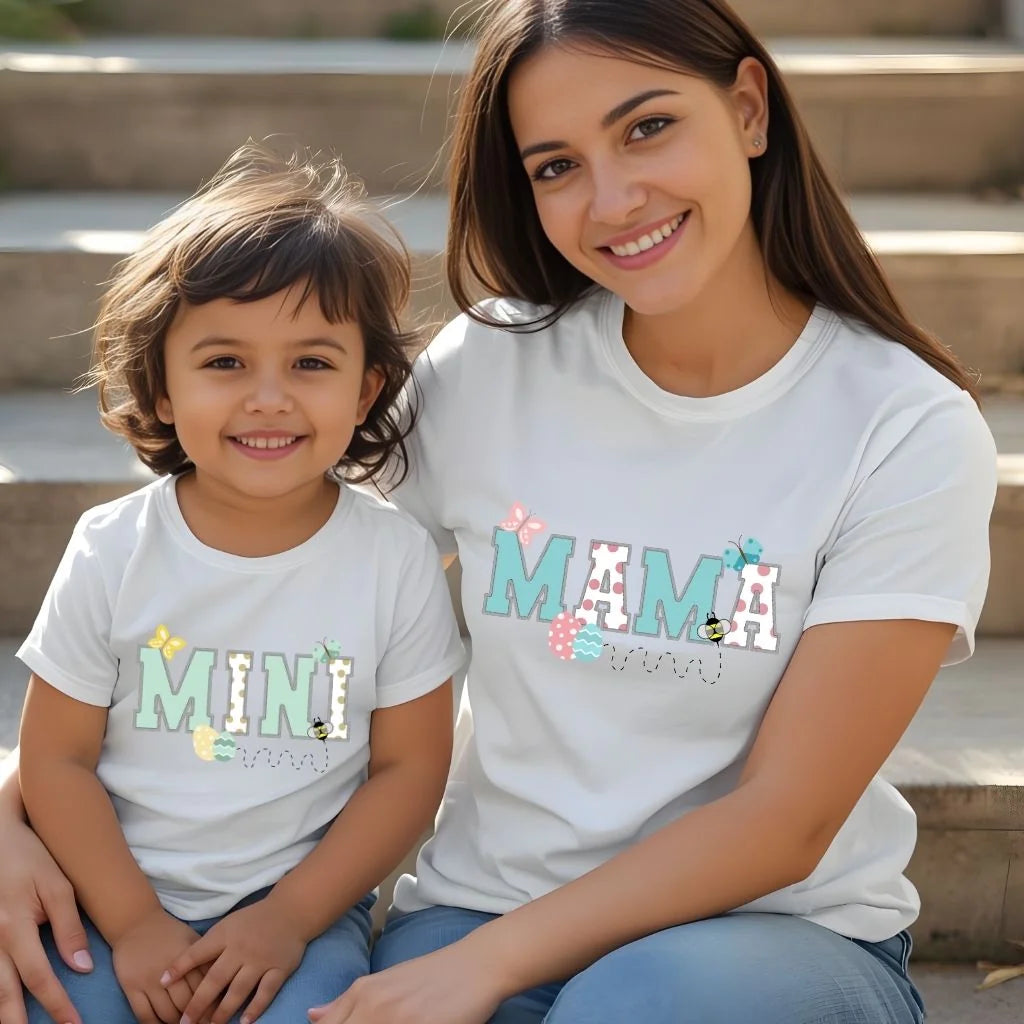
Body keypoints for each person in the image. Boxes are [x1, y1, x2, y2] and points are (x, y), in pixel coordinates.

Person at [0, 2, 1000, 1024]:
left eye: (647, 126)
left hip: (763, 935)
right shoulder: (490, 368)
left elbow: (784, 820)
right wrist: (11, 816)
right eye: (555, 165)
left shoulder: (901, 427)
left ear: (747, 110)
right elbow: (249, 567)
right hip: (477, 910)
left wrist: (486, 968)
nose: (612, 197)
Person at [10, 143, 465, 1024]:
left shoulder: (394, 559)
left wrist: (289, 919)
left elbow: (410, 771)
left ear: (368, 388)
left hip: (296, 920)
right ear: (163, 387)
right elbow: (56, 759)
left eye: (311, 363)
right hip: (108, 900)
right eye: (224, 363)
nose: (268, 398)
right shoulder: (112, 548)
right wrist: (134, 921)